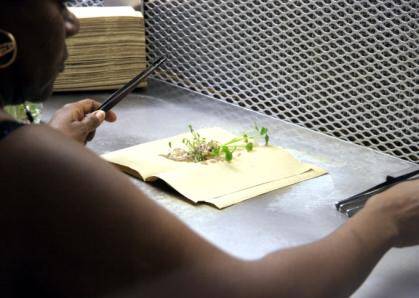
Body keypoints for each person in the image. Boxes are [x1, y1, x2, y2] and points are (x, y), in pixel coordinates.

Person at [0, 1, 418, 297]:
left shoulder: (29, 156)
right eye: (57, 4)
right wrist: (384, 219)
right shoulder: (25, 162)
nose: (70, 23)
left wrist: (52, 146)